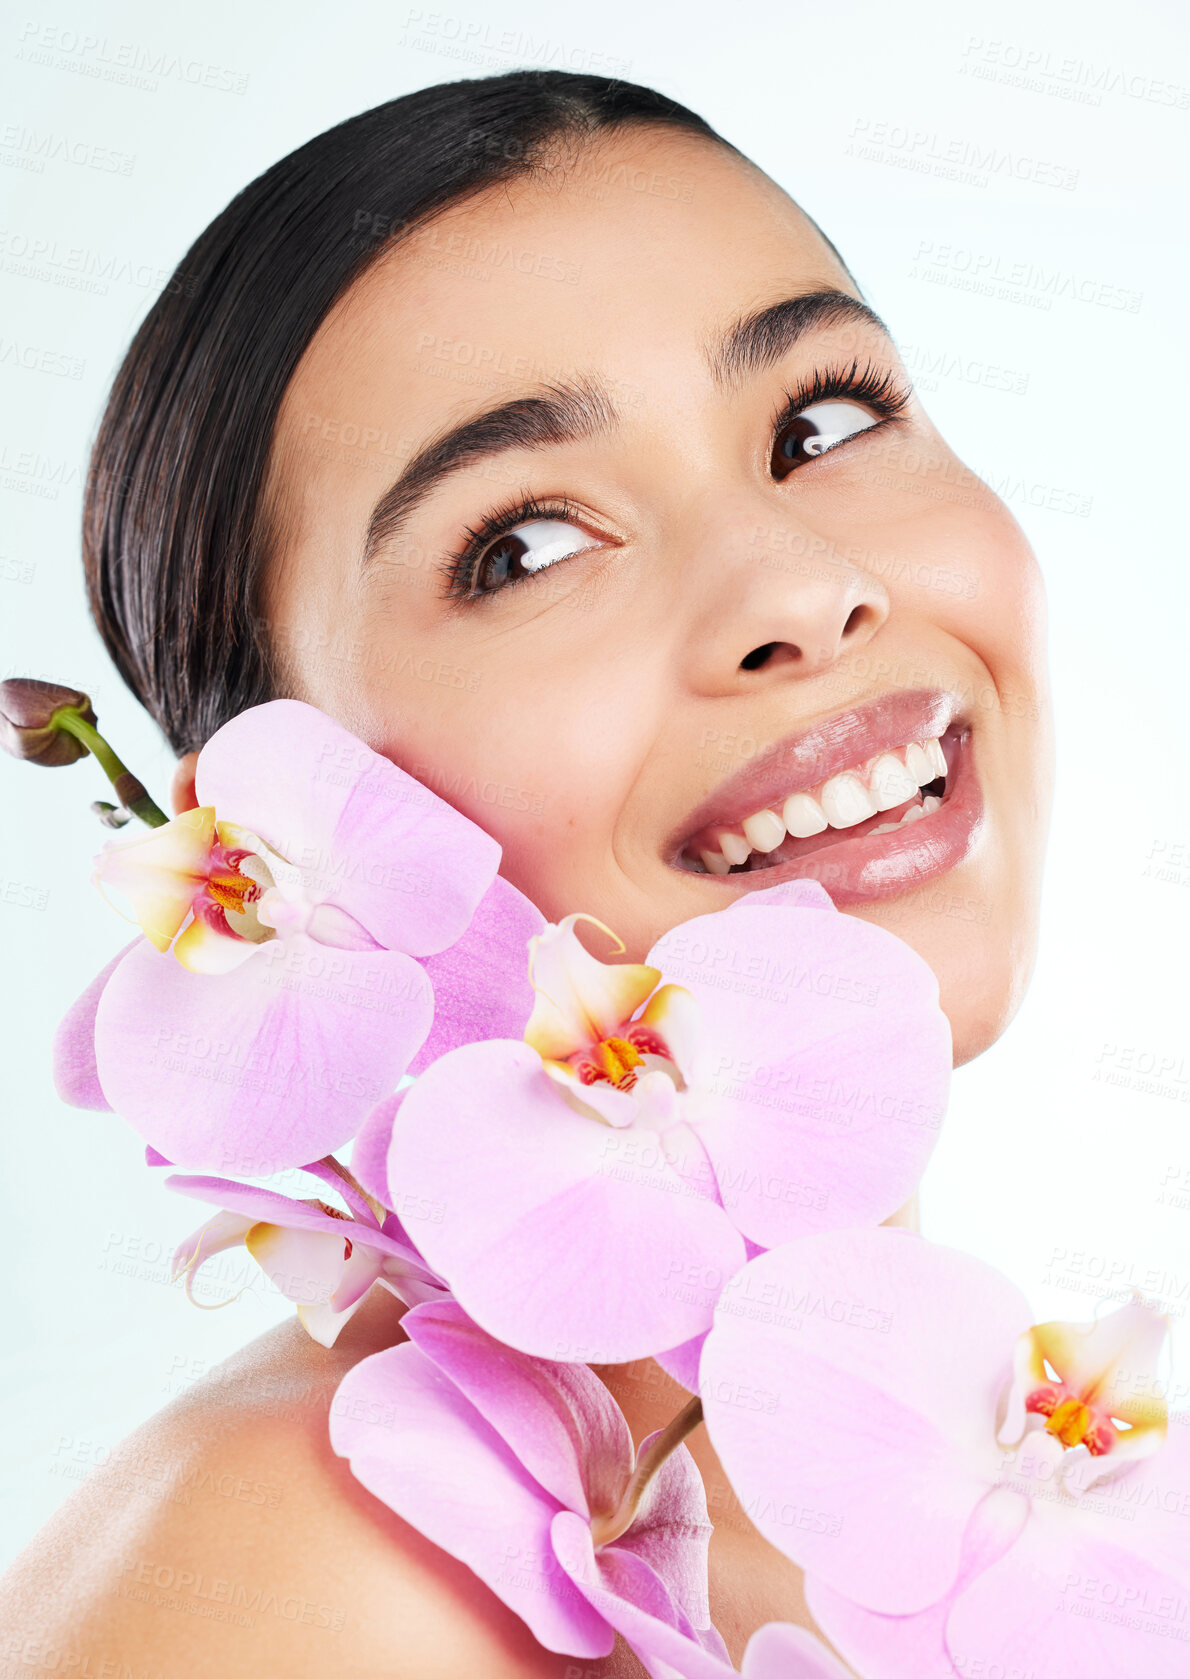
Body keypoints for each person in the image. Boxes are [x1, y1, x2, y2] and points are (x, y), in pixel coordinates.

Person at [0, 69, 1052, 1675]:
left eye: (821, 421)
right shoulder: (310, 1576)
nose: (804, 586)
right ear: (267, 847)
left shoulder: (1020, 1497)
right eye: (523, 545)